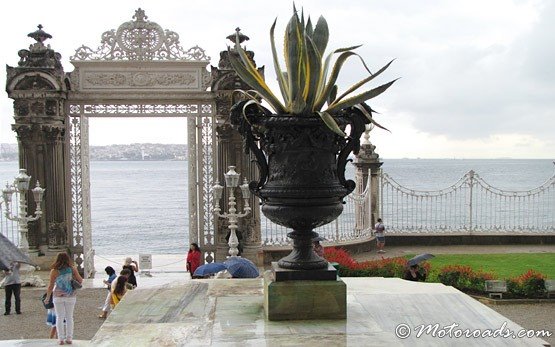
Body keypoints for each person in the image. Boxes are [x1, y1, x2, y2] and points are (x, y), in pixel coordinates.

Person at [44, 252, 83, 345]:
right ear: (67, 259)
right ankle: (69, 338)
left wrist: (47, 297)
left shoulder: (54, 271)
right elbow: (80, 280)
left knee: (59, 317)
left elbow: (50, 286)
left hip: (58, 296)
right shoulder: (72, 268)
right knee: (69, 317)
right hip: (70, 296)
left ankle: (61, 339)